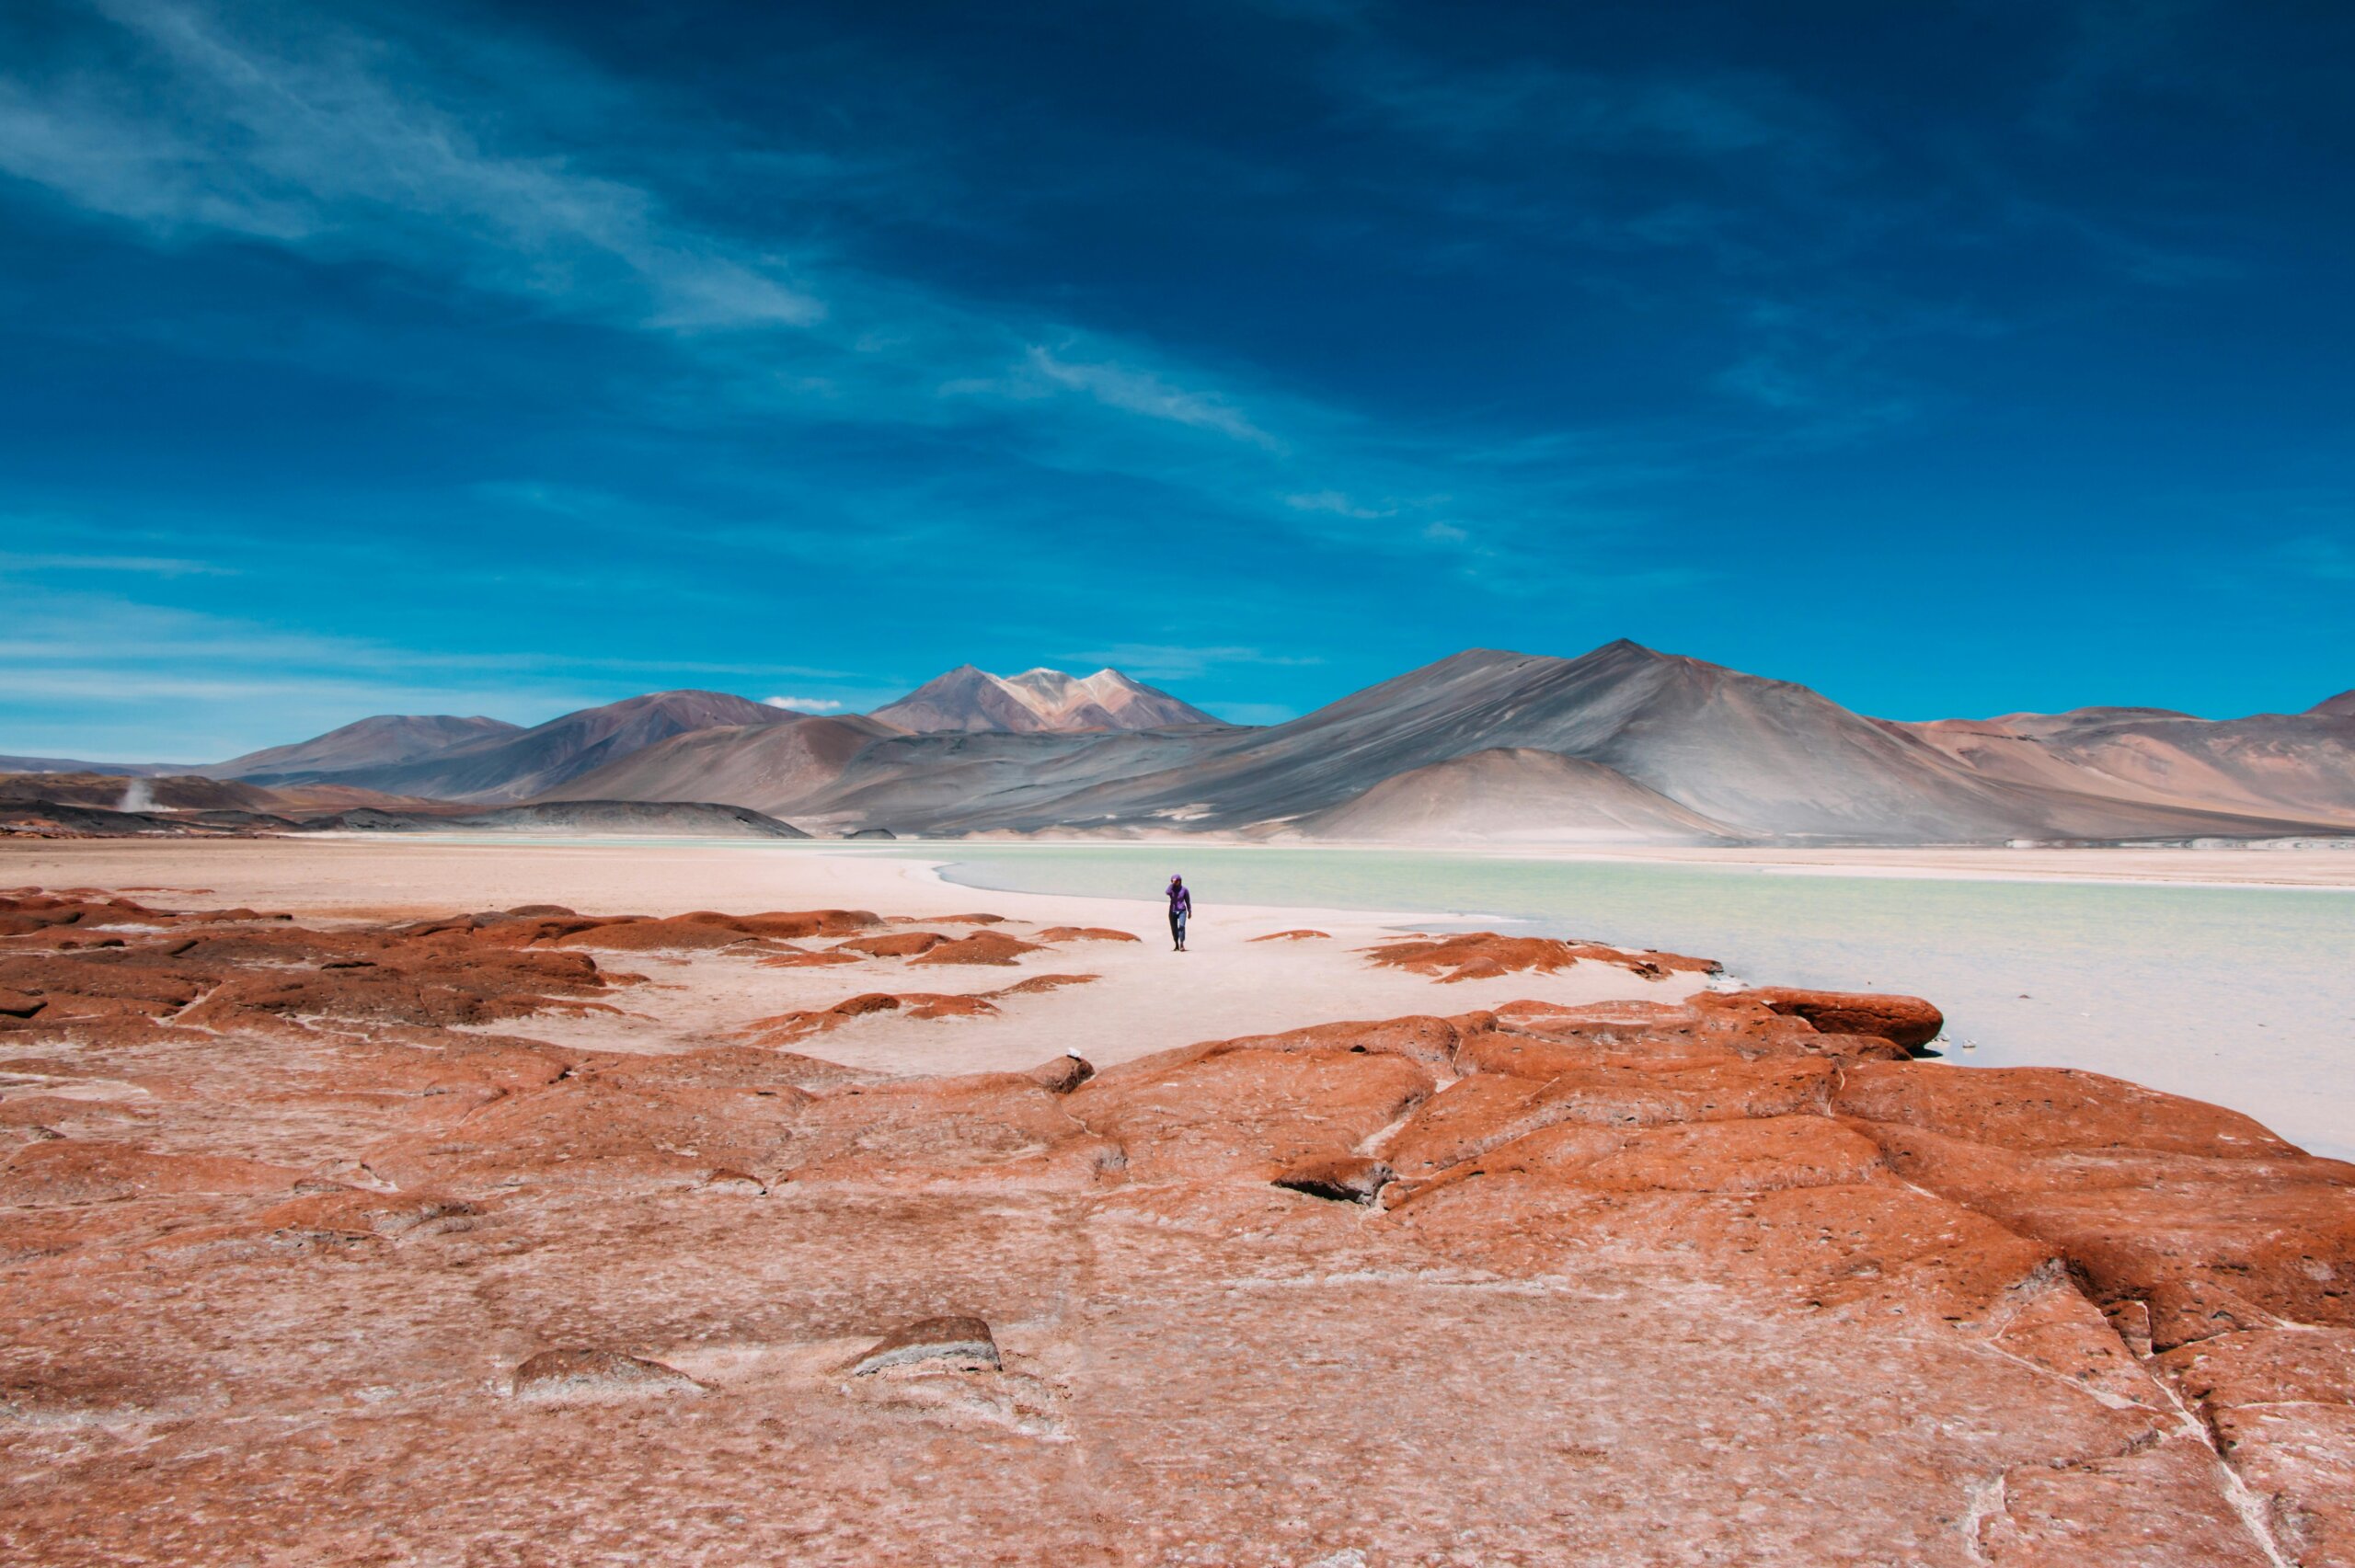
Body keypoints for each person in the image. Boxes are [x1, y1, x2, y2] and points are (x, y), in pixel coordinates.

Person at [1166, 874, 1191, 952]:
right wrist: (1172, 884)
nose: (1176, 882)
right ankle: (1176, 944)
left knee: (1182, 926)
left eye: (1177, 880)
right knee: (1174, 929)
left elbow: (1187, 901)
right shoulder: (1171, 889)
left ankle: (1182, 944)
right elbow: (1167, 892)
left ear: (1180, 881)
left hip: (1182, 911)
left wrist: (1189, 911)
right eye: (1174, 881)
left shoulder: (1185, 890)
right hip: (1172, 911)